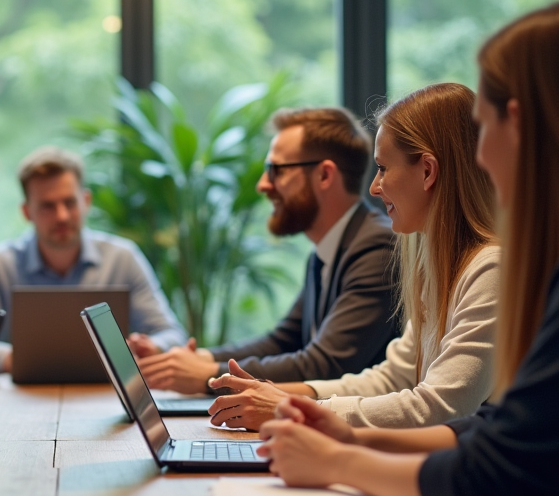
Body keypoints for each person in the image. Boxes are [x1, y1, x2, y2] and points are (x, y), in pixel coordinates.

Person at [257, 1, 559, 496]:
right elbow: (494, 427)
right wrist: (348, 434)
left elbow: (493, 472)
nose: (482, 155)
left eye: (485, 128)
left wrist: (338, 462)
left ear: (519, 123)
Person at [208, 84, 499, 430]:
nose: (375, 187)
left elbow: (441, 407)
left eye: (383, 168)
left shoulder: (490, 269)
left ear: (427, 171)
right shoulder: (435, 269)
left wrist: (293, 408)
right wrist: (284, 400)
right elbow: (392, 378)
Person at [129, 107, 400, 394]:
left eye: (276, 170)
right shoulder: (331, 249)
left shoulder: (377, 246)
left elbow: (325, 364)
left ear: (324, 175)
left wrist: (209, 375)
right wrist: (192, 360)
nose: (262, 185)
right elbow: (282, 340)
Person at [0, 146, 186, 372]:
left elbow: (172, 334)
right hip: (21, 401)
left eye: (69, 203)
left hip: (108, 398)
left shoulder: (123, 258)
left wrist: (152, 347)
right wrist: (19, 359)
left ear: (86, 201)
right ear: (27, 212)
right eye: (47, 206)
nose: (61, 216)